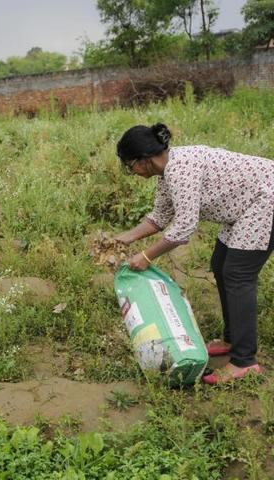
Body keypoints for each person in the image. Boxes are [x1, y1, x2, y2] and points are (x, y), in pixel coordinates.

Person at [114, 123, 274, 384]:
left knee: (237, 274)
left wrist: (145, 257)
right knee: (220, 263)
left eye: (129, 165)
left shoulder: (180, 170)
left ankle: (245, 362)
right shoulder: (167, 173)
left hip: (265, 200)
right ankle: (232, 339)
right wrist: (127, 236)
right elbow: (160, 217)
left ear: (143, 160)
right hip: (244, 208)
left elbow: (184, 228)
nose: (131, 172)